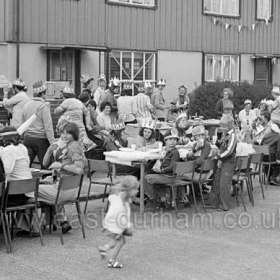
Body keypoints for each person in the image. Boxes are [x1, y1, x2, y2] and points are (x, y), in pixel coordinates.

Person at [38, 122, 86, 233]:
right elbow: (45, 163)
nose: (64, 136)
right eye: (63, 133)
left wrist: (61, 165)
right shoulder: (68, 145)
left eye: (68, 133)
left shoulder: (73, 147)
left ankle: (35, 225)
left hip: (63, 189)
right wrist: (50, 149)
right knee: (44, 185)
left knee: (32, 190)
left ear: (74, 134)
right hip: (68, 188)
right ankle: (59, 221)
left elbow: (79, 169)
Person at [0, 126, 40, 236]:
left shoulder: (9, 150)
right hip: (27, 189)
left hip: (16, 194)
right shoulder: (22, 147)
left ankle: (3, 227)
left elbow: (6, 171)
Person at [98, 175, 139, 269]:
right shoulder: (120, 204)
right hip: (115, 227)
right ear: (129, 190)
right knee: (120, 243)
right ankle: (111, 261)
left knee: (121, 241)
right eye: (135, 189)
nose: (137, 191)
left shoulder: (121, 198)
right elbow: (120, 219)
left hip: (114, 226)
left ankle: (104, 248)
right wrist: (128, 226)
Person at [22, 81, 55, 168]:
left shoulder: (26, 105)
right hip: (41, 140)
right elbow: (48, 127)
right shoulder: (43, 107)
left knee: (25, 166)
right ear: (43, 94)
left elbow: (23, 124)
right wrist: (52, 142)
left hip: (28, 138)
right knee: (46, 166)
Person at [145, 129, 180, 208]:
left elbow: (172, 166)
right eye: (170, 139)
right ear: (166, 141)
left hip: (169, 176)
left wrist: (162, 170)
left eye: (175, 139)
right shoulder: (168, 151)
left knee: (146, 178)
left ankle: (154, 199)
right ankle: (162, 199)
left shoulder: (175, 152)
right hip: (167, 175)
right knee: (150, 172)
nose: (172, 142)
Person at [54, 86, 96, 152]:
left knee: (69, 146)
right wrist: (88, 125)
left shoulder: (66, 102)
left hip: (70, 128)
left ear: (65, 95)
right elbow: (87, 113)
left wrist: (56, 109)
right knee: (82, 146)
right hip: (81, 128)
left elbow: (57, 111)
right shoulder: (79, 102)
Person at [214, 115, 237, 211]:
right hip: (223, 161)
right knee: (217, 181)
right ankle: (216, 202)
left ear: (231, 125)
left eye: (225, 126)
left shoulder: (232, 135)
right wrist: (218, 141)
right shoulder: (225, 134)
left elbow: (230, 150)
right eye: (222, 126)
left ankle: (224, 205)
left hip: (229, 162)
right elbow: (221, 145)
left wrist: (219, 156)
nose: (223, 128)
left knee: (225, 184)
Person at [256, 112, 280, 185]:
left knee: (266, 164)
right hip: (271, 156)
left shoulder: (266, 135)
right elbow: (279, 149)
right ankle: (273, 177)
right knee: (278, 163)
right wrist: (278, 159)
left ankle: (268, 178)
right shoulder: (278, 137)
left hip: (262, 157)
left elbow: (260, 145)